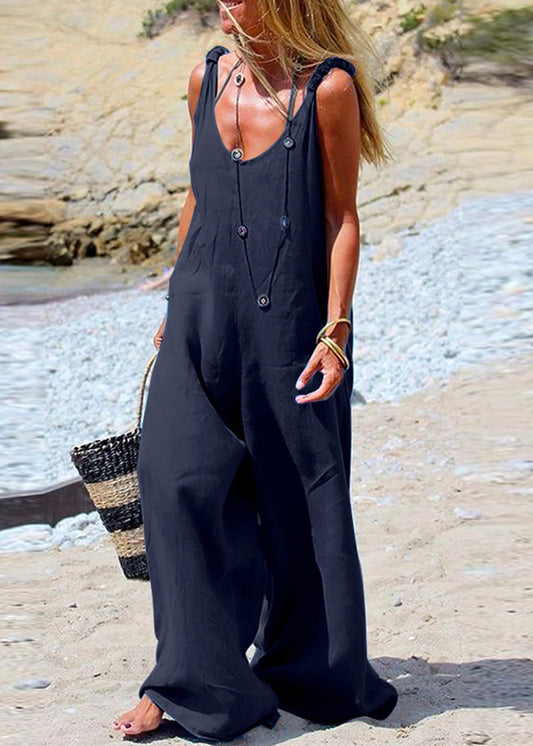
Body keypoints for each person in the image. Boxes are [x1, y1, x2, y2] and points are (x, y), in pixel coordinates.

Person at [112, 0, 398, 740]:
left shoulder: (329, 89)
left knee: (298, 498)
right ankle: (187, 681)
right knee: (173, 483)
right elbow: (198, 194)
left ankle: (306, 671)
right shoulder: (205, 77)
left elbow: (341, 217)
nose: (227, 3)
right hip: (198, 315)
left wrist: (336, 330)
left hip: (292, 325)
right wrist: (174, 298)